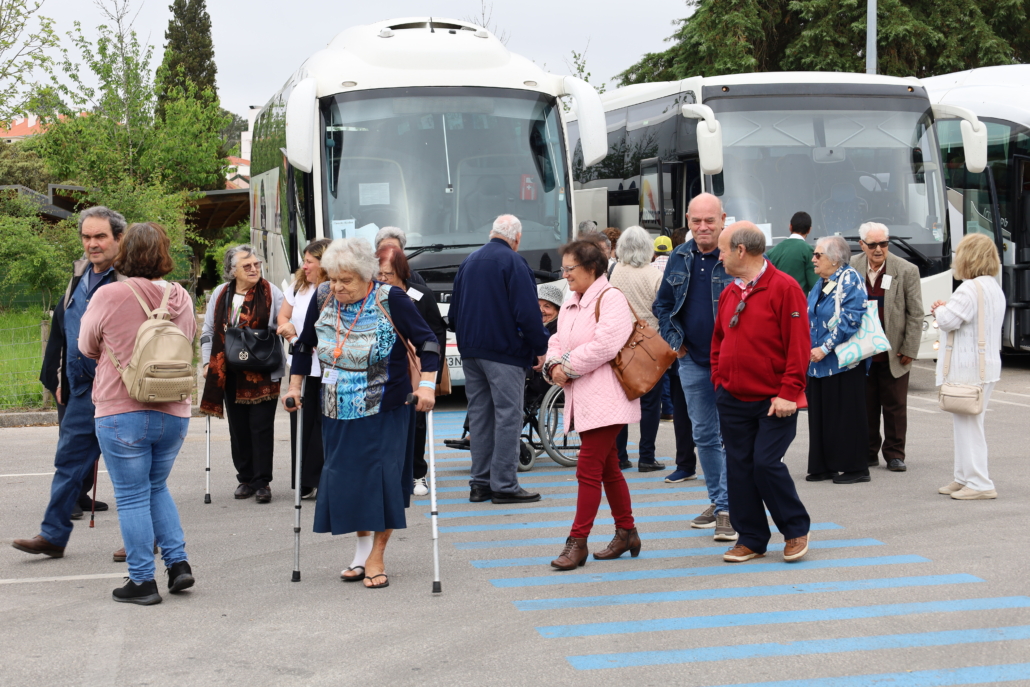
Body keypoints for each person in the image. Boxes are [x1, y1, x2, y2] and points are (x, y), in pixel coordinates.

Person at [282, 238, 440, 589]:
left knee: (381, 482)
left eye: (346, 280)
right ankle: (361, 549)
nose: (337, 287)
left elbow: (428, 342)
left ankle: (376, 556)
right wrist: (294, 387)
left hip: (385, 406)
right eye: (333, 278)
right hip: (336, 407)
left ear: (367, 277)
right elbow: (305, 344)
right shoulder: (323, 296)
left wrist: (427, 385)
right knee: (348, 481)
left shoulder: (391, 299)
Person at [76, 222, 197, 604]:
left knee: (130, 496)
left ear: (125, 253)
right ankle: (178, 565)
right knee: (156, 486)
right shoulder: (182, 296)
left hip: (121, 407)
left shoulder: (110, 294)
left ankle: (142, 580)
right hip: (174, 408)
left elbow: (85, 346)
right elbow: (188, 341)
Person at [14, 206, 127, 561]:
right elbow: (65, 330)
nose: (92, 244)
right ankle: (53, 535)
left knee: (129, 469)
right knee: (68, 463)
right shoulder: (79, 274)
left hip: (120, 393)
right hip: (80, 391)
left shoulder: (131, 278)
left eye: (100, 237)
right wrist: (62, 376)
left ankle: (142, 538)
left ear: (119, 239)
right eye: (87, 237)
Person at [712, 222, 812, 564]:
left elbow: (799, 346)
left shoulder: (785, 288)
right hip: (733, 397)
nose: (719, 255)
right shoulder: (730, 292)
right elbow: (719, 342)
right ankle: (752, 538)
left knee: (765, 464)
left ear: (741, 250)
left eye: (724, 249)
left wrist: (788, 392)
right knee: (739, 468)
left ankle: (795, 528)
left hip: (775, 400)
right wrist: (719, 379)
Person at [544, 239, 640, 570]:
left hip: (607, 398)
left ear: (592, 268)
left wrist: (564, 367)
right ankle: (626, 531)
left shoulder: (610, 298)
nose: (565, 274)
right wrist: (553, 366)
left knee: (588, 469)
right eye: (564, 268)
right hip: (583, 396)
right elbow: (556, 338)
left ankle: (577, 542)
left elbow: (605, 346)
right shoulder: (573, 299)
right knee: (608, 468)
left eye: (570, 268)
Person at [653, 193, 736, 542]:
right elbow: (663, 306)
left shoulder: (736, 256)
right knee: (704, 435)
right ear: (687, 220)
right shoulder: (680, 256)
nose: (703, 227)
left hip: (732, 364)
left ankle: (731, 505)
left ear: (723, 219)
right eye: (696, 221)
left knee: (734, 436)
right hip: (693, 363)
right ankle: (722, 504)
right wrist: (677, 342)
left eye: (710, 221)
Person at [449, 215, 549, 504]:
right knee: (508, 416)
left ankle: (479, 484)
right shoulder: (514, 262)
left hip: (470, 351)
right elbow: (528, 313)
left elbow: (453, 316)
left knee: (480, 416)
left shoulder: (469, 262)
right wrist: (539, 345)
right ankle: (504, 485)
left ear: (492, 233)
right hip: (504, 352)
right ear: (516, 238)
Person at [200, 245, 285, 503]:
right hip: (229, 370)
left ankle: (262, 482)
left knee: (261, 428)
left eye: (256, 264)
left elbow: (284, 322)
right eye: (246, 266)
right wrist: (207, 363)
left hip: (262, 372)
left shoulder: (272, 292)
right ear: (231, 270)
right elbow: (209, 329)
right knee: (238, 429)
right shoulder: (221, 292)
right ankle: (245, 479)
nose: (254, 269)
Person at [932, 233, 1005, 500]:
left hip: (969, 367)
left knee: (969, 424)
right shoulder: (992, 286)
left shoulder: (968, 288)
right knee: (967, 421)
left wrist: (938, 310)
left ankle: (979, 482)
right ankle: (964, 476)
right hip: (985, 366)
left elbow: (949, 320)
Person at [850, 222, 923, 472]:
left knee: (894, 407)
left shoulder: (906, 270)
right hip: (863, 353)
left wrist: (910, 348)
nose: (879, 249)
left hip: (894, 352)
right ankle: (868, 452)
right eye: (873, 245)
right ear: (862, 245)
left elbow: (915, 313)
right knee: (866, 406)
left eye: (883, 243)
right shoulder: (852, 267)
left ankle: (894, 454)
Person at [377, 244, 447, 497]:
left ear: (402, 272)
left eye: (388, 275)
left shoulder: (420, 294)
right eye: (379, 275)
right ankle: (390, 472)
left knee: (416, 422)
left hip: (417, 366)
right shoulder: (373, 296)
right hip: (387, 368)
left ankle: (418, 474)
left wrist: (432, 374)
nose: (383, 280)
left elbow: (435, 334)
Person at [806, 235, 870, 484]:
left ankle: (855, 468)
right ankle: (824, 465)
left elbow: (851, 318)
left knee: (846, 415)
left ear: (834, 258)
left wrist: (825, 347)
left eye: (818, 254)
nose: (813, 259)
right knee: (822, 414)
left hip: (843, 361)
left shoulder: (849, 277)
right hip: (818, 362)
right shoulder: (822, 282)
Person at [608, 226, 666, 473]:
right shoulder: (654, 275)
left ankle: (619, 456)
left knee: (621, 400)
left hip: (620, 343)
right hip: (649, 343)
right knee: (651, 403)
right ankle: (646, 456)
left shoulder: (614, 271)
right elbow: (661, 308)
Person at [277, 239, 331, 500]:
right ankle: (305, 481)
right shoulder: (299, 285)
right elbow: (283, 318)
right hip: (301, 363)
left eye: (309, 261)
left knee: (322, 426)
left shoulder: (335, 288)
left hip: (328, 368)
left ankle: (323, 478)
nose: (304, 266)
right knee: (301, 424)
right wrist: (291, 336)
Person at [767, 211, 817, 294]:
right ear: (809, 230)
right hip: (798, 303)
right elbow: (815, 285)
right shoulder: (808, 251)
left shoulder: (772, 251)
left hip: (776, 303)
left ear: (790, 227)